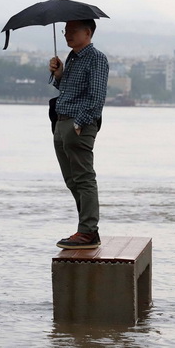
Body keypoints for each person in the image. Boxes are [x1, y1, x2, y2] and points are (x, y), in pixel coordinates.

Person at [48, 19, 109, 249]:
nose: (67, 35)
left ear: (88, 32)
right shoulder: (73, 58)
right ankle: (86, 229)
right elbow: (67, 90)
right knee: (71, 180)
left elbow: (96, 97)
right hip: (61, 122)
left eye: (73, 30)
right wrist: (59, 74)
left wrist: (79, 124)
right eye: (66, 31)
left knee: (84, 178)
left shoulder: (96, 58)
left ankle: (88, 231)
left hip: (78, 125)